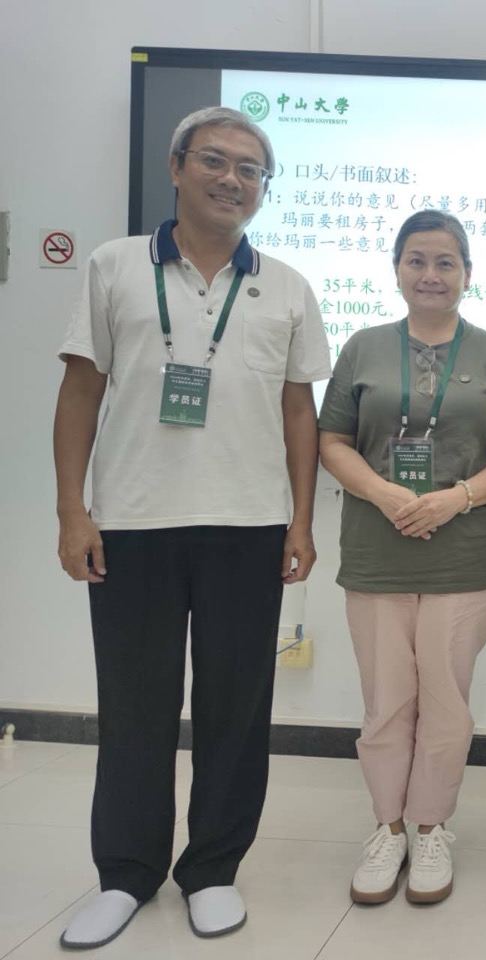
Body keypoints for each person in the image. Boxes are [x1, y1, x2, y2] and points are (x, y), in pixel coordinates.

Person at [52, 106, 330, 948]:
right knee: (133, 706)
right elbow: (80, 392)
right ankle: (126, 874)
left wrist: (301, 521)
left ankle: (212, 869)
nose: (232, 179)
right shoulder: (114, 265)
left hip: (250, 525)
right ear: (176, 167)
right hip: (132, 523)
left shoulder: (287, 284)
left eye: (250, 169)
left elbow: (299, 412)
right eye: (215, 160)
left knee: (235, 710)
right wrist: (72, 510)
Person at [318, 210, 486, 905]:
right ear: (396, 270)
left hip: (463, 556)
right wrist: (384, 493)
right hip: (376, 551)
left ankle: (432, 826)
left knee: (445, 701)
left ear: (468, 274)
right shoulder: (363, 346)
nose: (431, 275)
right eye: (417, 260)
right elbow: (331, 440)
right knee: (386, 702)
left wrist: (456, 499)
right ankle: (387, 828)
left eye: (446, 262)